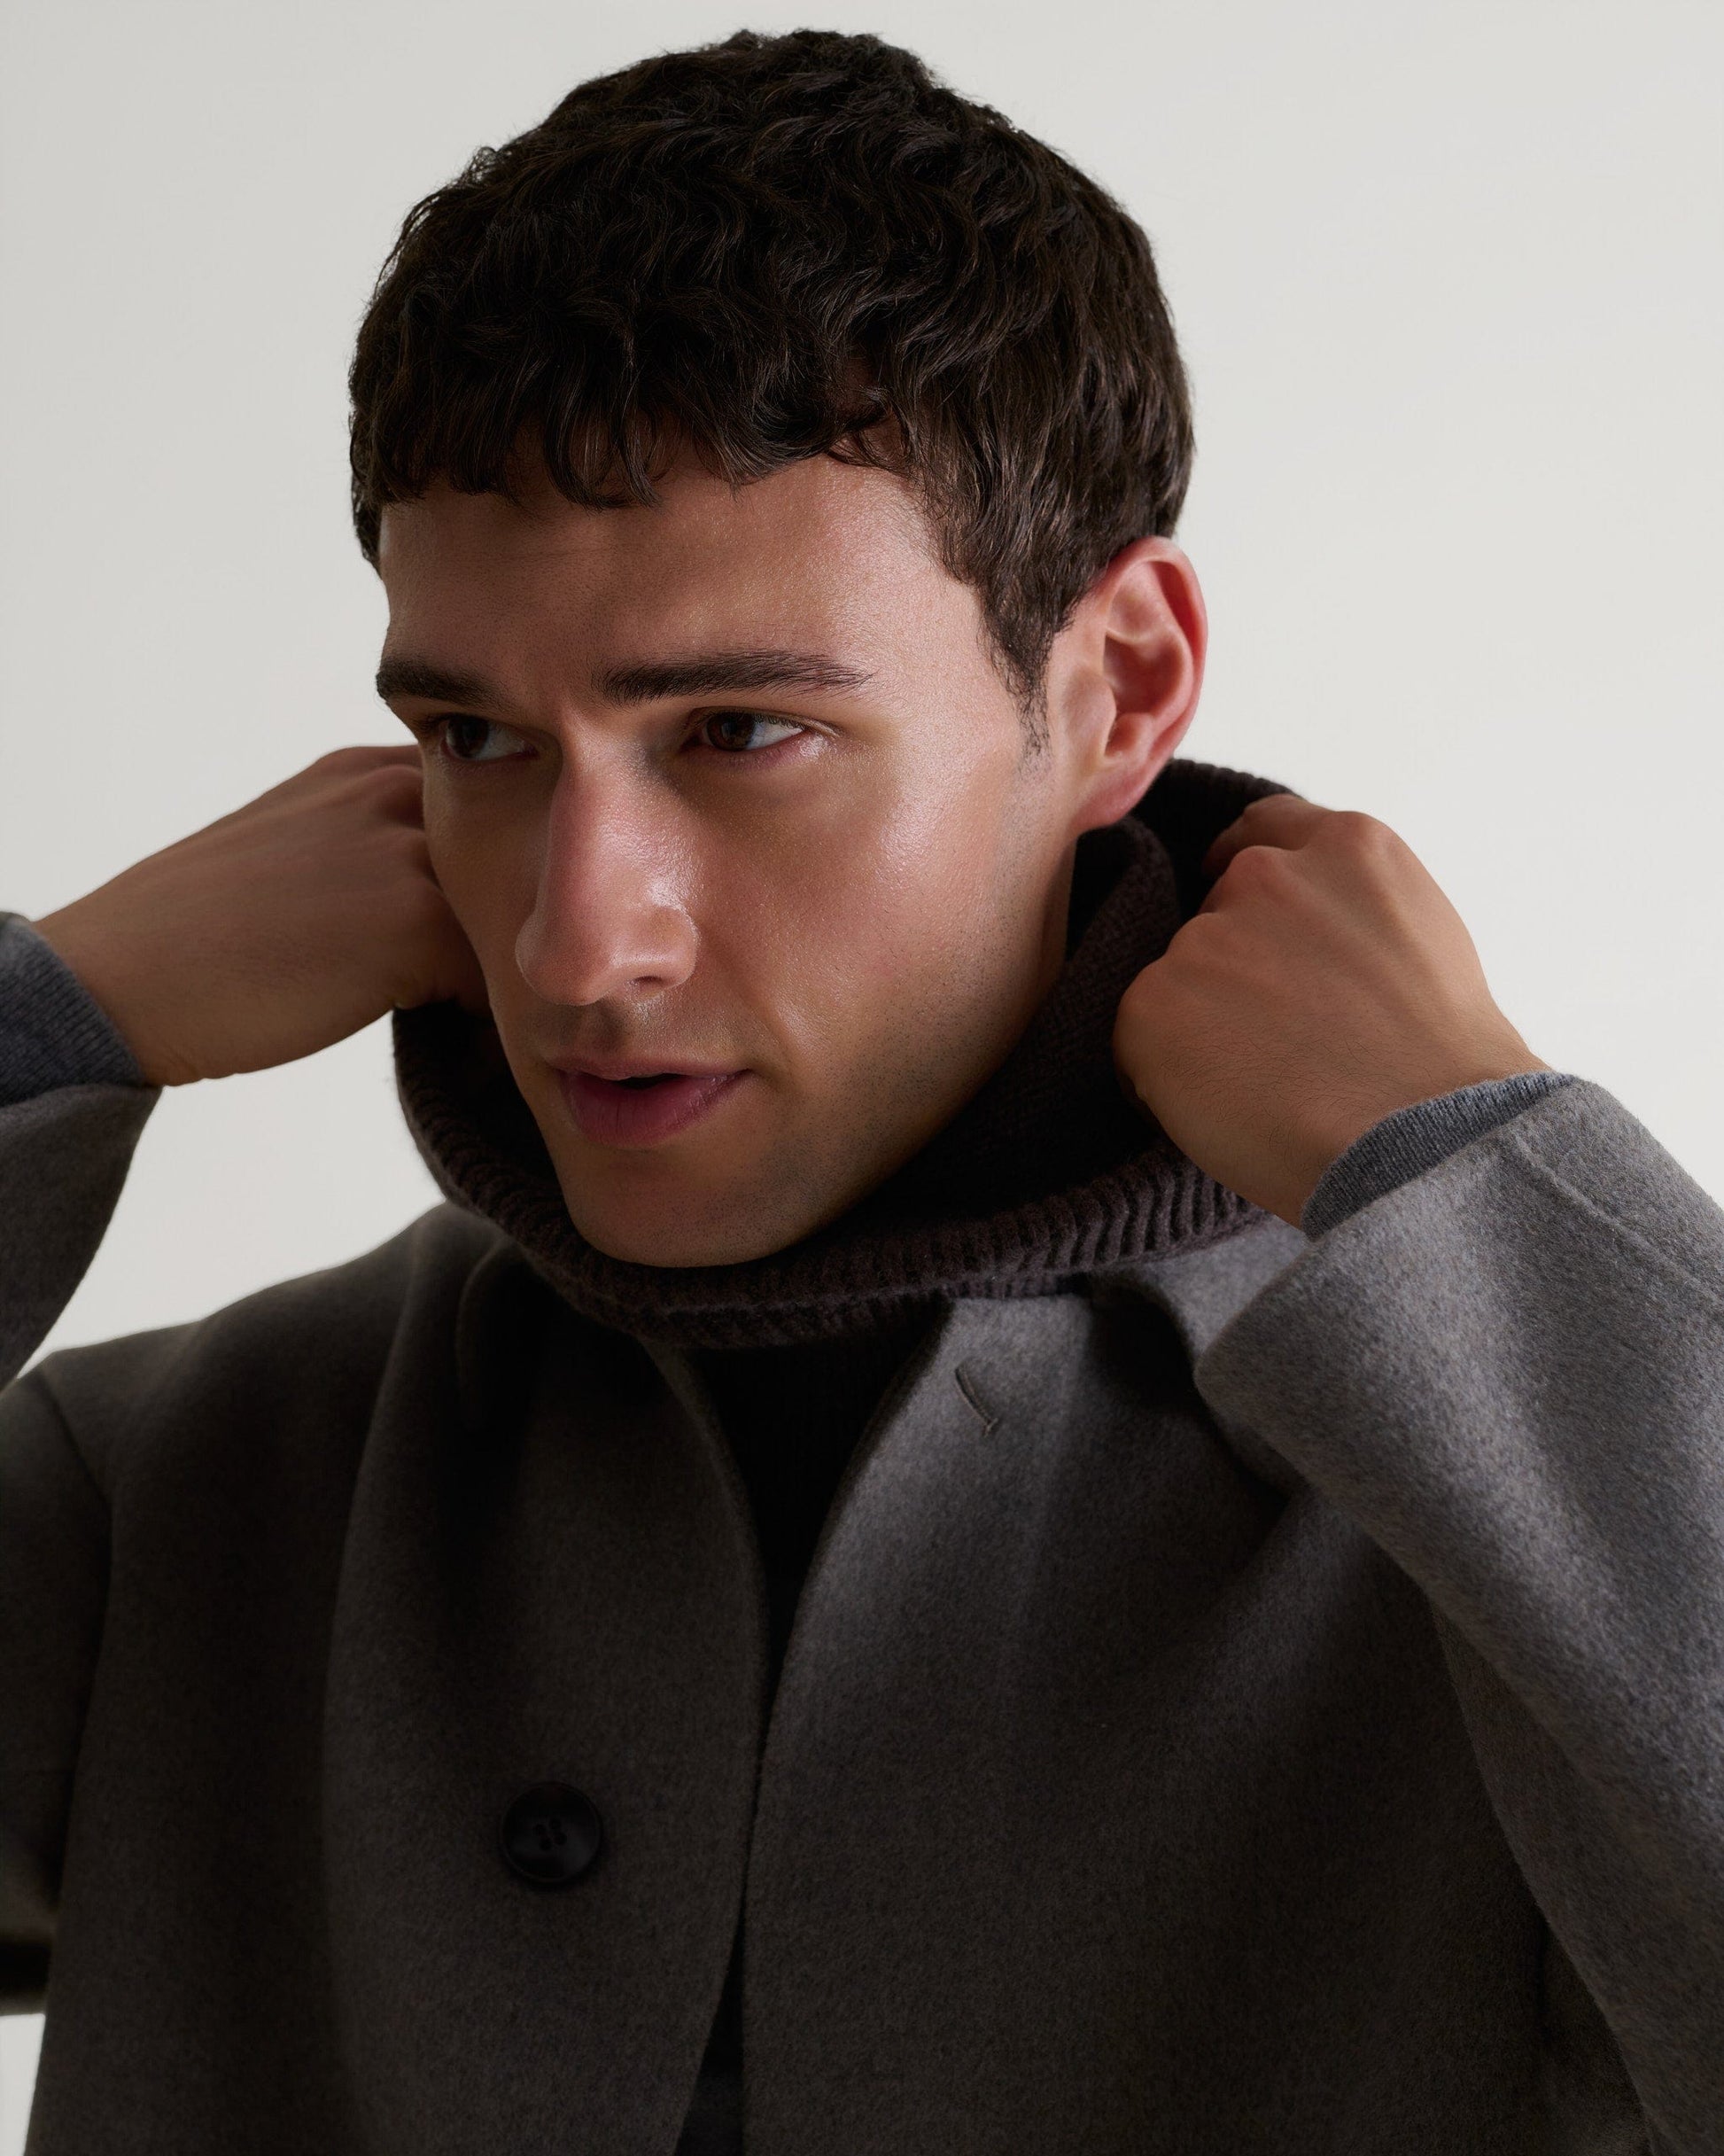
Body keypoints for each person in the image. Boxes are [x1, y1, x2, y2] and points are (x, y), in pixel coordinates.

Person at [1, 27, 1718, 2156]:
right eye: (478, 741)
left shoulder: (1491, 1536)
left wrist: (1476, 1184)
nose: (572, 941)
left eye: (735, 732)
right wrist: (43, 1026)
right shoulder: (192, 1486)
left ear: (1119, 692)